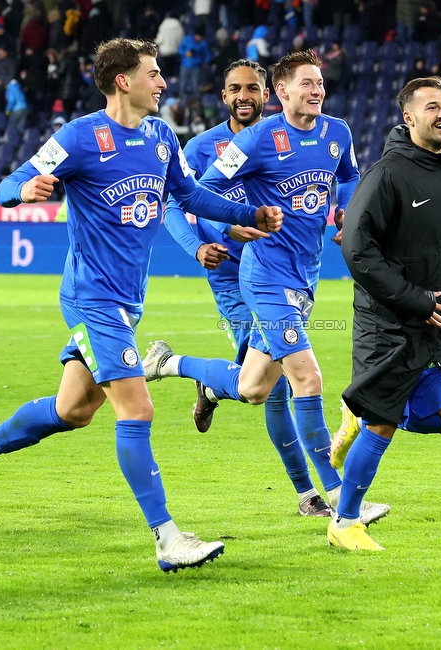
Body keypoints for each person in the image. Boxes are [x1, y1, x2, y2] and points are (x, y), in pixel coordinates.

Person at [0, 38, 283, 573]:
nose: (163, 82)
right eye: (153, 73)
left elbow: (189, 198)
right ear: (123, 81)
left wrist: (248, 212)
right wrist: (23, 190)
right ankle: (168, 538)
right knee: (138, 408)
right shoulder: (80, 137)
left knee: (73, 411)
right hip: (91, 297)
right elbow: (8, 180)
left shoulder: (163, 137)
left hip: (127, 301)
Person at [140, 50, 387, 524]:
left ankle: (171, 363)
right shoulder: (255, 140)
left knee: (255, 387)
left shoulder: (338, 133)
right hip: (262, 276)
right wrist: (233, 224)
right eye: (308, 83)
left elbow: (351, 178)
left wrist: (345, 213)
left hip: (304, 277)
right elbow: (199, 190)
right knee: (306, 378)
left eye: (320, 83)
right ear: (284, 91)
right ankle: (336, 497)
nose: (317, 90)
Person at [162, 59, 337, 518]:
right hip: (233, 277)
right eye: (235, 89)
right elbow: (176, 206)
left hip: (286, 273)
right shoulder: (203, 148)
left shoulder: (286, 137)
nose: (245, 96)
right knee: (273, 387)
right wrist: (203, 246)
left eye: (252, 89)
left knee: (260, 383)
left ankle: (205, 382)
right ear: (224, 96)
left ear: (268, 93)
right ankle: (309, 496)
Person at [326, 76, 441, 551]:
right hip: (387, 320)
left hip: (438, 315)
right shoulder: (387, 174)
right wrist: (418, 300)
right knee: (383, 424)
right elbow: (357, 249)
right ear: (409, 117)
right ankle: (344, 523)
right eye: (432, 106)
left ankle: (362, 405)